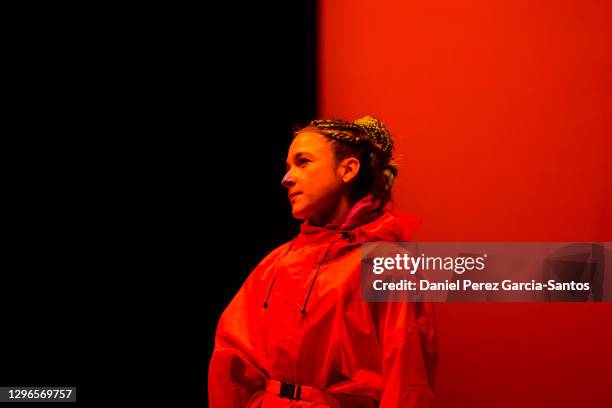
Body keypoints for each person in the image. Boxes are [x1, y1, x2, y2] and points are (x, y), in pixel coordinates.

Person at [209, 116, 437, 407]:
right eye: (288, 167)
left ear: (348, 169)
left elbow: (407, 378)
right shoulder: (276, 263)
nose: (287, 178)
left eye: (303, 162)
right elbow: (232, 361)